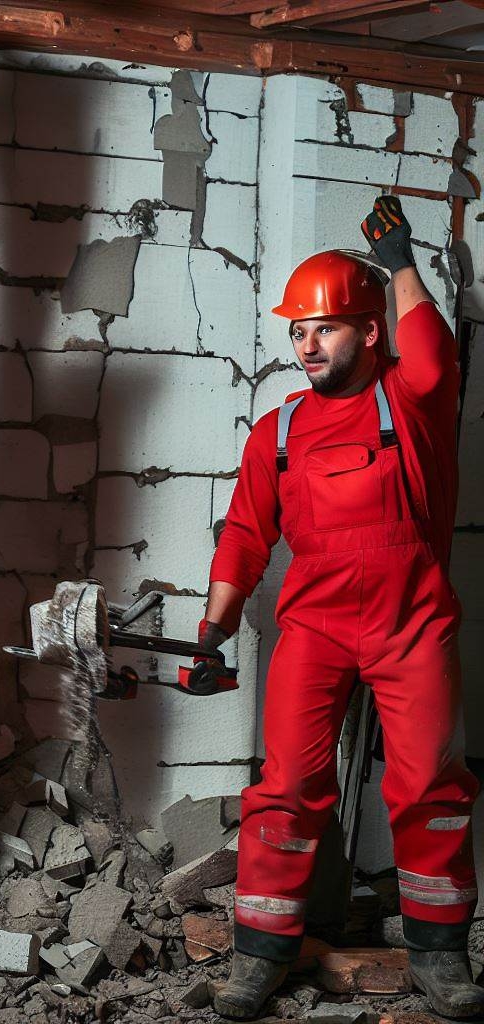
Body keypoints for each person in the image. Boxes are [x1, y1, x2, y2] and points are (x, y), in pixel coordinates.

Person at [195, 196, 482, 1020]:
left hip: (411, 622)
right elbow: (246, 536)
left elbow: (433, 354)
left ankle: (441, 959)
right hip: (315, 629)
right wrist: (213, 630)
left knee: (429, 785)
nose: (306, 345)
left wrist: (399, 265)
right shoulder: (278, 431)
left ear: (370, 331)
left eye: (324, 328)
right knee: (286, 787)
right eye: (298, 331)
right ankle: (260, 954)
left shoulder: (412, 402)